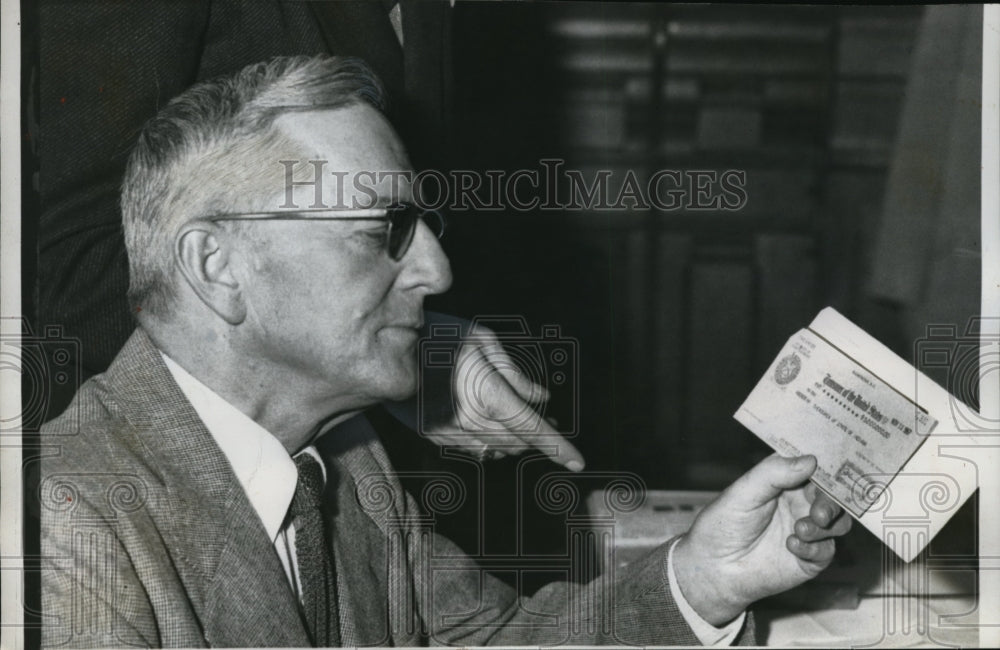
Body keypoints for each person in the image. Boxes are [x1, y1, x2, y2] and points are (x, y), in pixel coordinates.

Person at [40, 55, 851, 647]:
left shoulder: (347, 460)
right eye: (382, 231)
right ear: (218, 267)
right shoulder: (64, 528)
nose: (437, 271)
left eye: (426, 228)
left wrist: (706, 583)